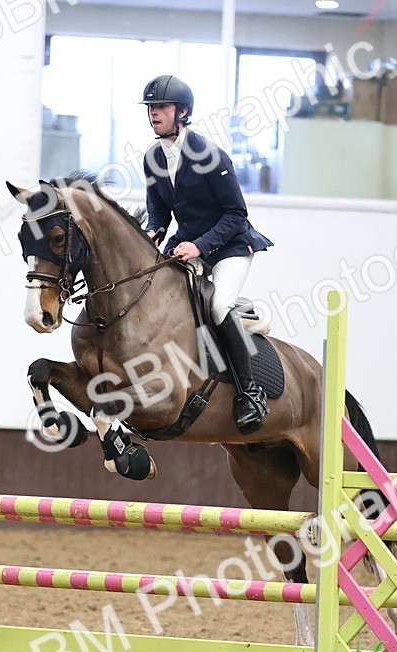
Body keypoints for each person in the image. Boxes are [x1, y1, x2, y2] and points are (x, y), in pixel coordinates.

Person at [139, 74, 275, 435]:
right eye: (151, 108)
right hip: (186, 245)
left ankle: (250, 393)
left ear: (182, 112)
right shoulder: (153, 158)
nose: (154, 114)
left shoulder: (210, 156)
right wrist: (153, 233)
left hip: (230, 245)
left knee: (217, 306)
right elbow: (159, 212)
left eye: (162, 108)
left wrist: (199, 246)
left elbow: (236, 214)